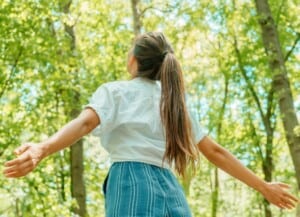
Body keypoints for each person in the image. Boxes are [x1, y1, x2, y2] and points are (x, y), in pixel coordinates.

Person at [3, 32, 298, 216]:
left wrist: (43, 147)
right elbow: (215, 152)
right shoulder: (175, 103)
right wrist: (263, 186)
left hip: (130, 181)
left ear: (134, 60)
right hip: (170, 188)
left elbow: (83, 125)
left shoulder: (117, 91)